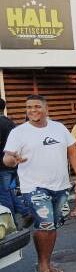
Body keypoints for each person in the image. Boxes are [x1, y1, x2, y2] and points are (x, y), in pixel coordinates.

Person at [3, 94, 76, 272]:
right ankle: (42, 264)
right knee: (45, 224)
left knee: (53, 225)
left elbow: (72, 150)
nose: (32, 110)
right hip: (34, 187)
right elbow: (7, 158)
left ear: (46, 109)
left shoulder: (59, 128)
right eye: (29, 107)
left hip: (61, 186)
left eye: (37, 107)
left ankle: (47, 262)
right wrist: (12, 160)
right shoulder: (19, 132)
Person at [0, 97, 33, 228]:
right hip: (12, 164)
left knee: (3, 195)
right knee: (8, 192)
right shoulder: (9, 122)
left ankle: (11, 224)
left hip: (2, 165)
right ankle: (25, 212)